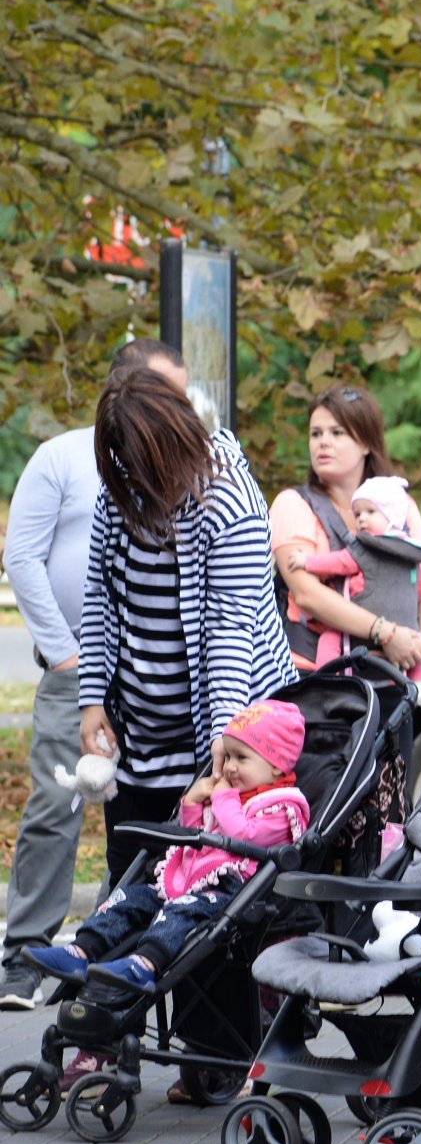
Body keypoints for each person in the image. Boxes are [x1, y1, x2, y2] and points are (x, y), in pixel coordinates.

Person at [0, 340, 185, 1010]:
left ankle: (110, 952)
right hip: (76, 667)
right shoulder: (64, 457)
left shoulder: (183, 462)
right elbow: (22, 556)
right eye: (169, 391)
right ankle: (23, 953)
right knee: (59, 804)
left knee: (146, 816)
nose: (182, 407)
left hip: (155, 675)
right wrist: (67, 652)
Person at [80, 367, 301, 889]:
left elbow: (230, 628)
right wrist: (92, 699)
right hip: (140, 734)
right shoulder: (121, 487)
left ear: (174, 442)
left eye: (143, 468)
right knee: (129, 876)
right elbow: (99, 597)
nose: (135, 483)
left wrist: (222, 747)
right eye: (124, 468)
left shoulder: (228, 500)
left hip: (220, 726)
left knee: (197, 886)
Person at [27, 700, 310, 995]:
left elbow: (242, 835)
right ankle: (80, 951)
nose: (229, 767)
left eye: (241, 758)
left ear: (277, 766)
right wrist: (192, 804)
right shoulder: (236, 793)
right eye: (227, 757)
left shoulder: (281, 806)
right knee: (128, 898)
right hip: (191, 881)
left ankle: (145, 964)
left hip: (231, 892)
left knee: (178, 913)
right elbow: (194, 833)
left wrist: (222, 798)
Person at [270, 384, 421, 680]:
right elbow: (307, 594)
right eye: (316, 434)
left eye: (337, 433)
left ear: (366, 443)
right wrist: (385, 633)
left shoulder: (403, 506)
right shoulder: (293, 504)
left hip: (393, 675)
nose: (323, 443)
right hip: (313, 676)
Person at [289, 475, 421, 698]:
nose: (361, 519)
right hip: (402, 627)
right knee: (418, 644)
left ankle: (325, 679)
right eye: (357, 514)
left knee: (330, 637)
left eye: (370, 512)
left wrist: (306, 561)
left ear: (392, 516)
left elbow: (338, 562)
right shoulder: (411, 552)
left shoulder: (365, 549)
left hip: (361, 625)